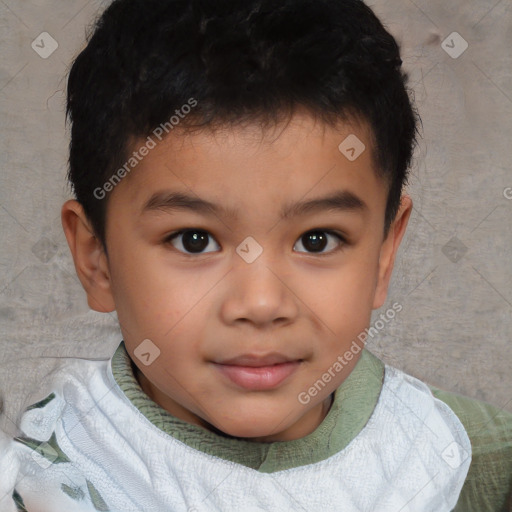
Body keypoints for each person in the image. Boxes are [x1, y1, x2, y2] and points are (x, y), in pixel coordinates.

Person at [0, 0, 510, 510]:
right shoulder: (47, 479)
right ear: (96, 260)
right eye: (194, 240)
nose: (262, 303)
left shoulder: (455, 452)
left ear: (383, 253)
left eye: (317, 240)